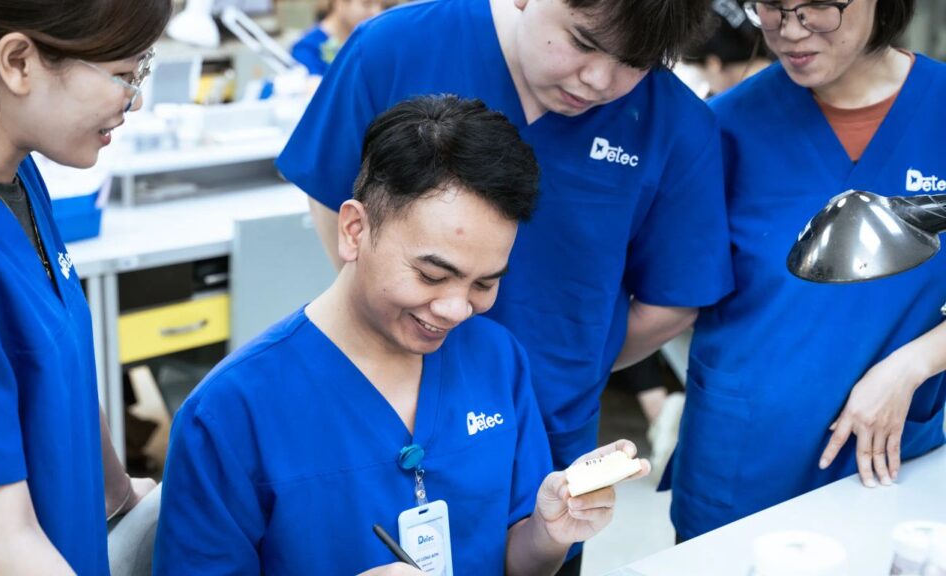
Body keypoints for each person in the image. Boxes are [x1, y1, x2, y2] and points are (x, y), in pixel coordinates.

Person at [154, 95, 650, 575]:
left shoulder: (496, 359)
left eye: (485, 282)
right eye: (432, 275)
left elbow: (516, 565)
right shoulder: (230, 413)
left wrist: (548, 531)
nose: (457, 309)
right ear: (354, 230)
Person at [278, 0, 732, 506]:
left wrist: (579, 360)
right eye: (583, 42)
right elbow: (334, 199)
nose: (599, 80)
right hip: (380, 410)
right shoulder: (393, 51)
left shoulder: (676, 126)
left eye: (635, 61)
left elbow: (671, 300)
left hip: (545, 431)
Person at [666, 0, 946, 541]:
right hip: (744, 457)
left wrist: (914, 363)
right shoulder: (723, 127)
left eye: (819, 6)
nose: (791, 31)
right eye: (772, 7)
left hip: (885, 455)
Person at [0, 0, 169, 572]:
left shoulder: (10, 171)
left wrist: (120, 498)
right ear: (18, 62)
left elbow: (59, 367)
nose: (136, 99)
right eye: (126, 76)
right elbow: (1, 543)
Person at [291, 0, 382, 76]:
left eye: (379, 4)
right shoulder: (307, 49)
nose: (375, 12)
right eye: (367, 4)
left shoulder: (368, 43)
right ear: (340, 3)